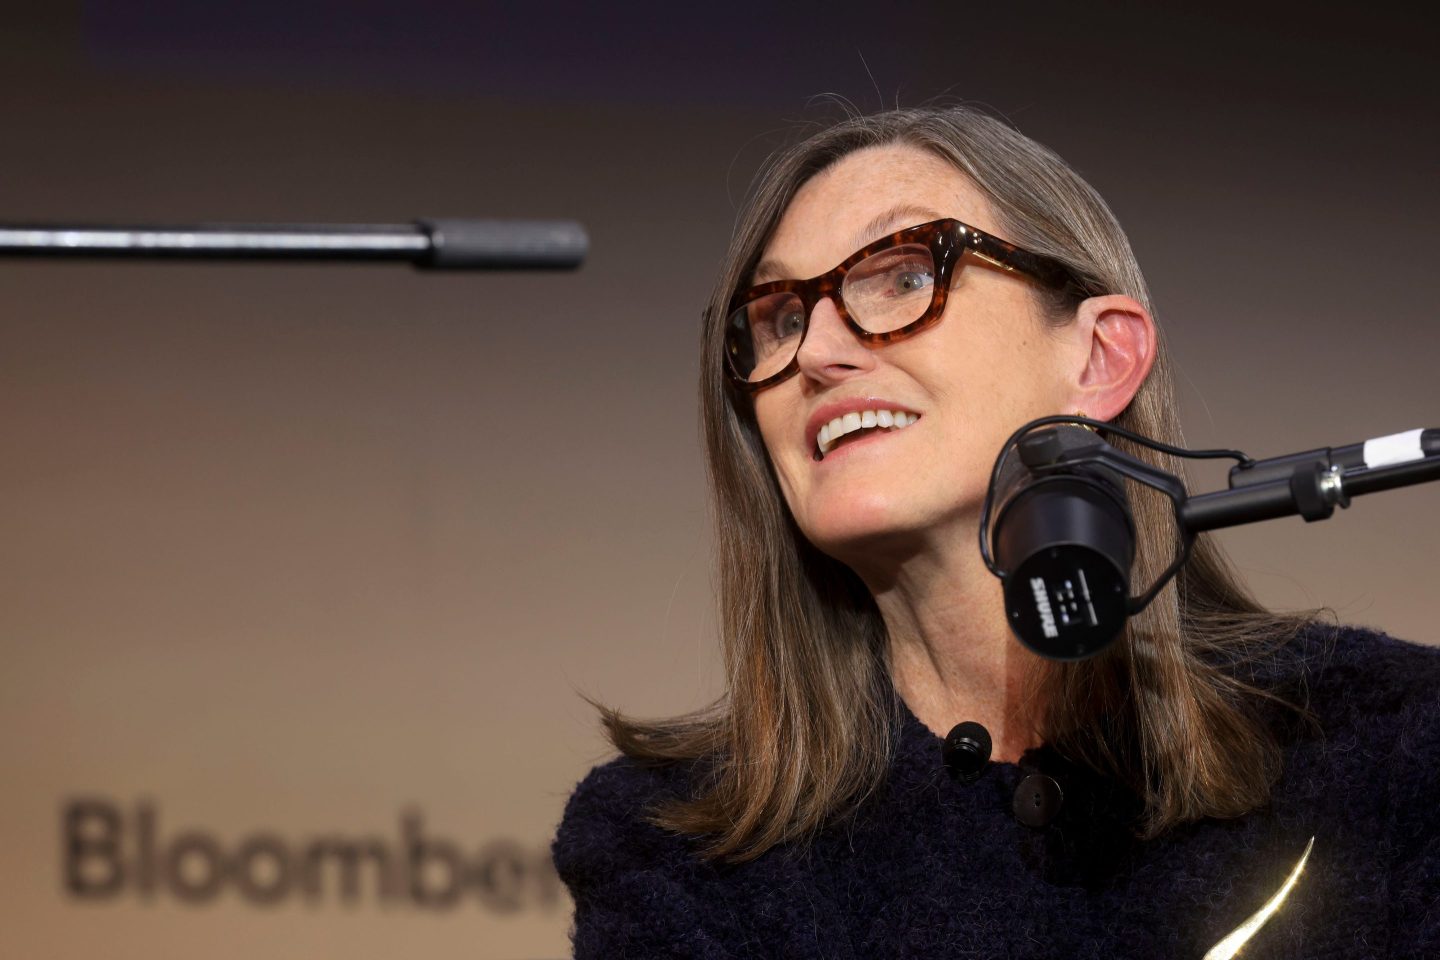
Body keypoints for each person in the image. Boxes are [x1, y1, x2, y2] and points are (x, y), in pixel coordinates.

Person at [552, 105, 1440, 958]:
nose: (817, 352)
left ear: (1099, 357)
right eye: (781, 318)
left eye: (902, 274)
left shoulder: (1393, 747)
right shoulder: (664, 843)